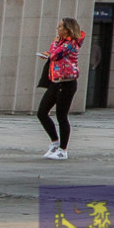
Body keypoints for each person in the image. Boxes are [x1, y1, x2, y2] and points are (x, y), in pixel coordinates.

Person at [36, 18, 83, 160]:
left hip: (67, 83)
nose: (58, 28)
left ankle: (63, 150)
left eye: (60, 26)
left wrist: (54, 44)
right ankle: (55, 142)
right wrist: (53, 47)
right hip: (56, 82)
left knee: (61, 116)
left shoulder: (70, 44)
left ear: (67, 29)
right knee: (42, 112)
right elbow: (53, 54)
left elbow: (55, 54)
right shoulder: (62, 43)